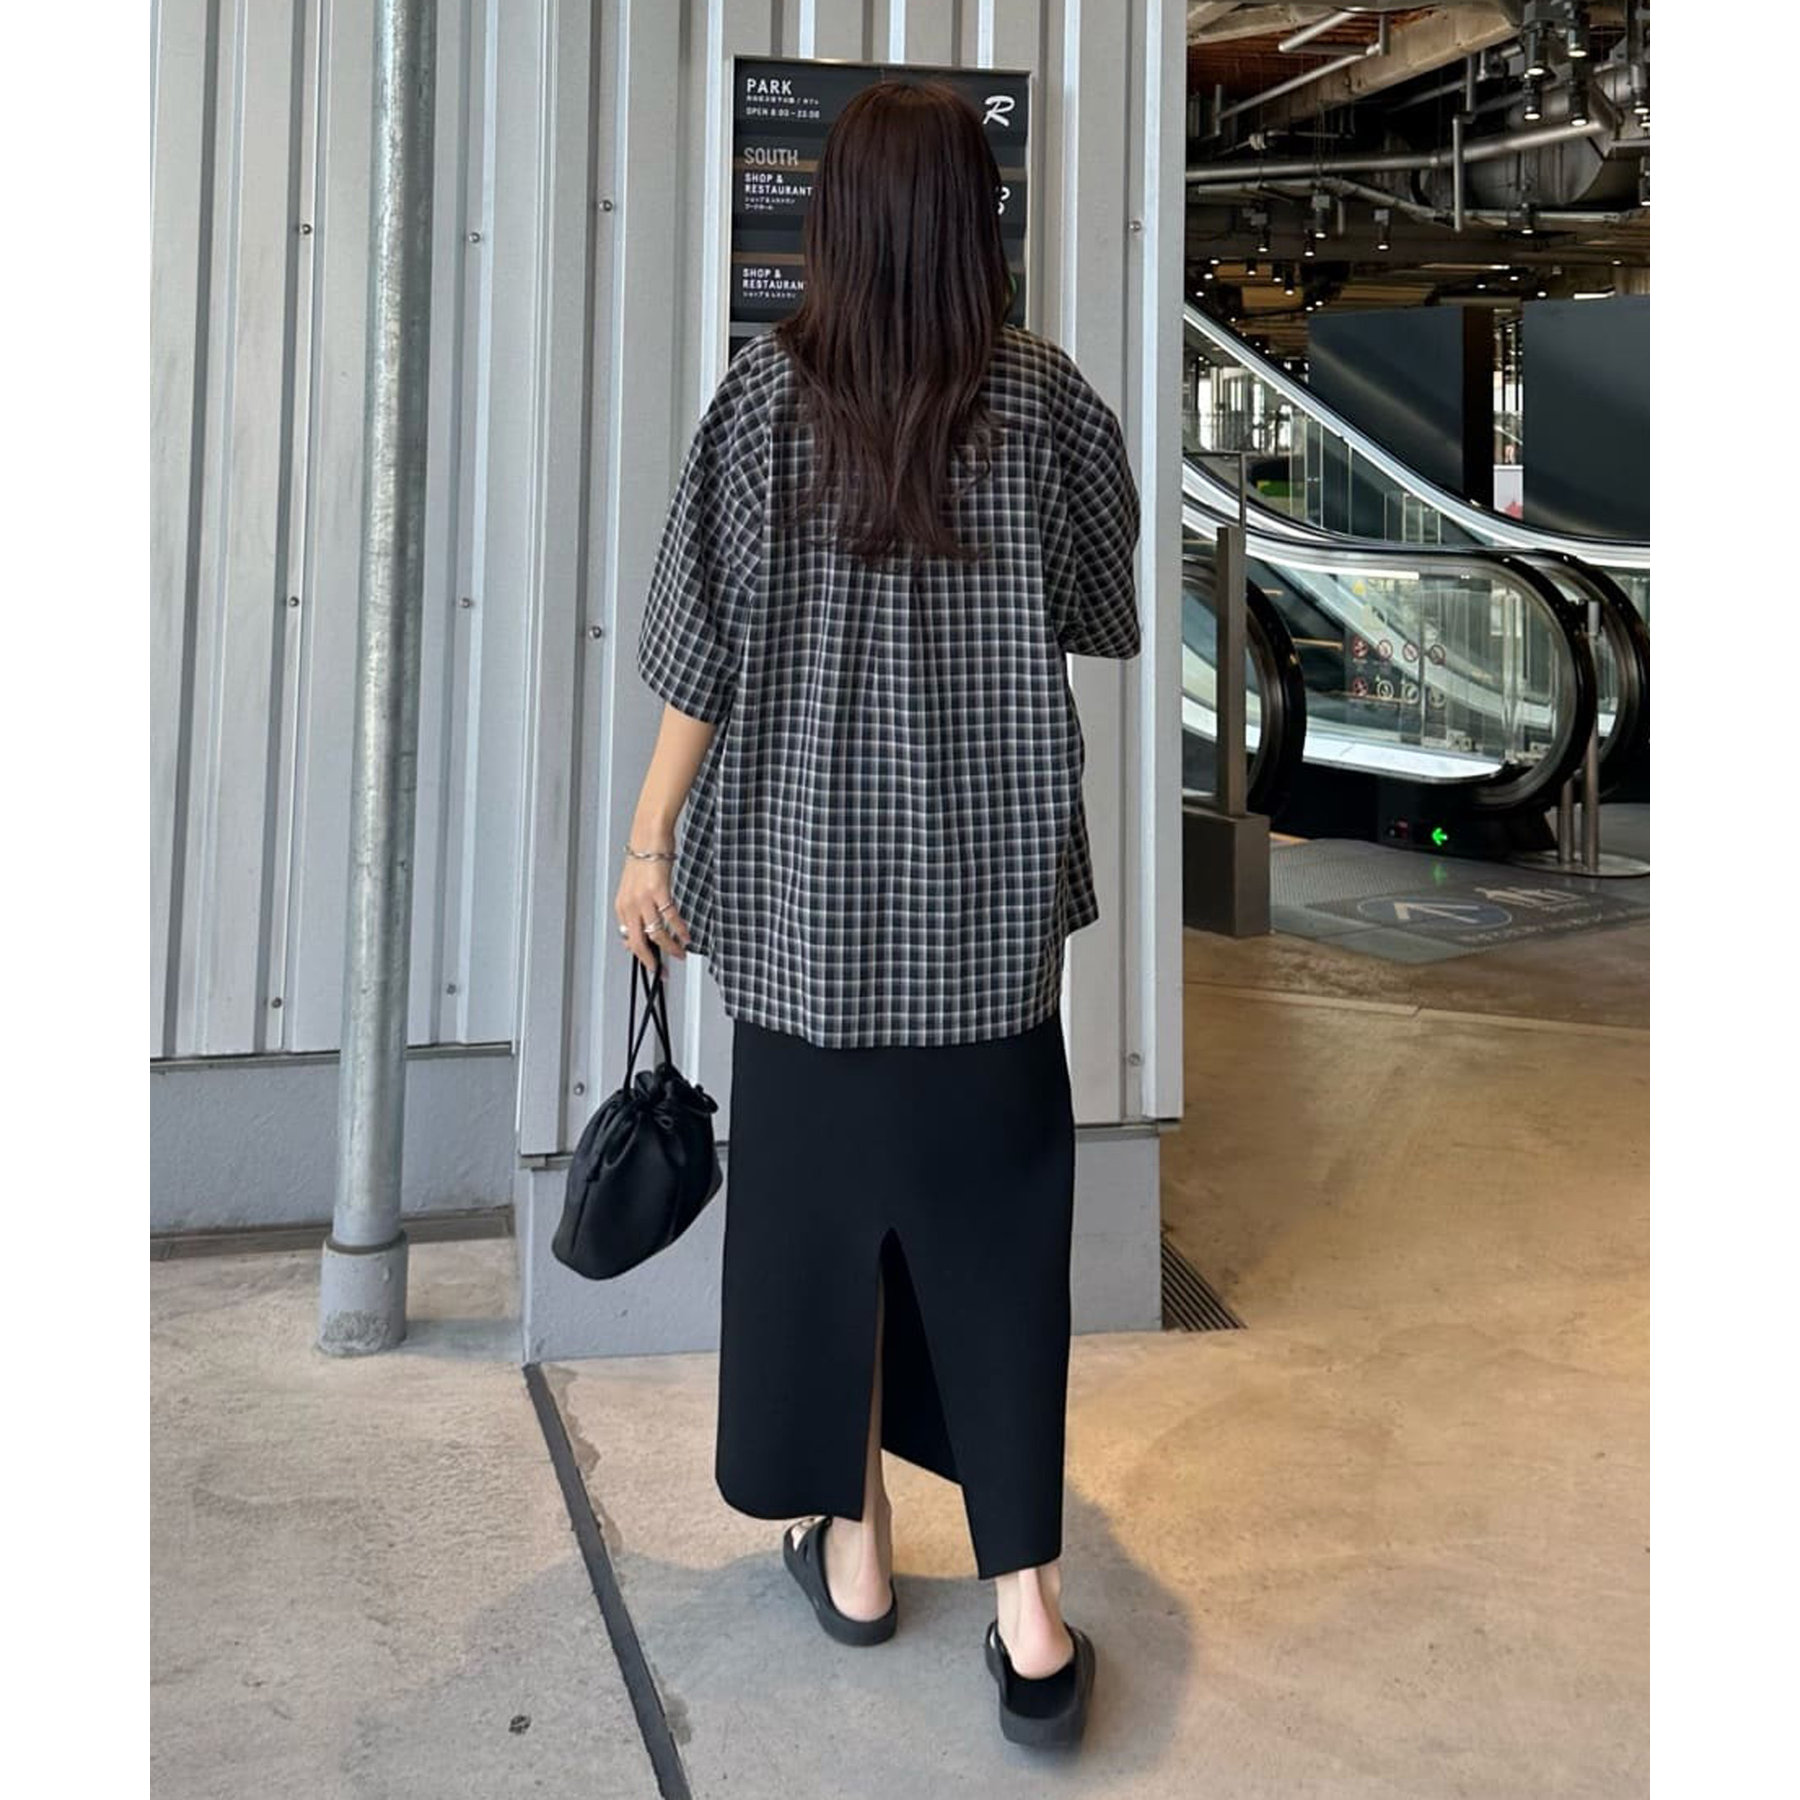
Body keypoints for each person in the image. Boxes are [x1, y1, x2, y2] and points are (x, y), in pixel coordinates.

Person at [615, 77, 1140, 1750]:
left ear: (831, 222)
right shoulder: (1044, 398)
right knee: (1000, 1259)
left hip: (802, 920)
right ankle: (1030, 1621)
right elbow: (1102, 604)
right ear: (977, 222)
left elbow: (697, 657)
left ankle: (855, 1559)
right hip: (989, 927)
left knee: (818, 1245)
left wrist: (648, 844)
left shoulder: (762, 400)